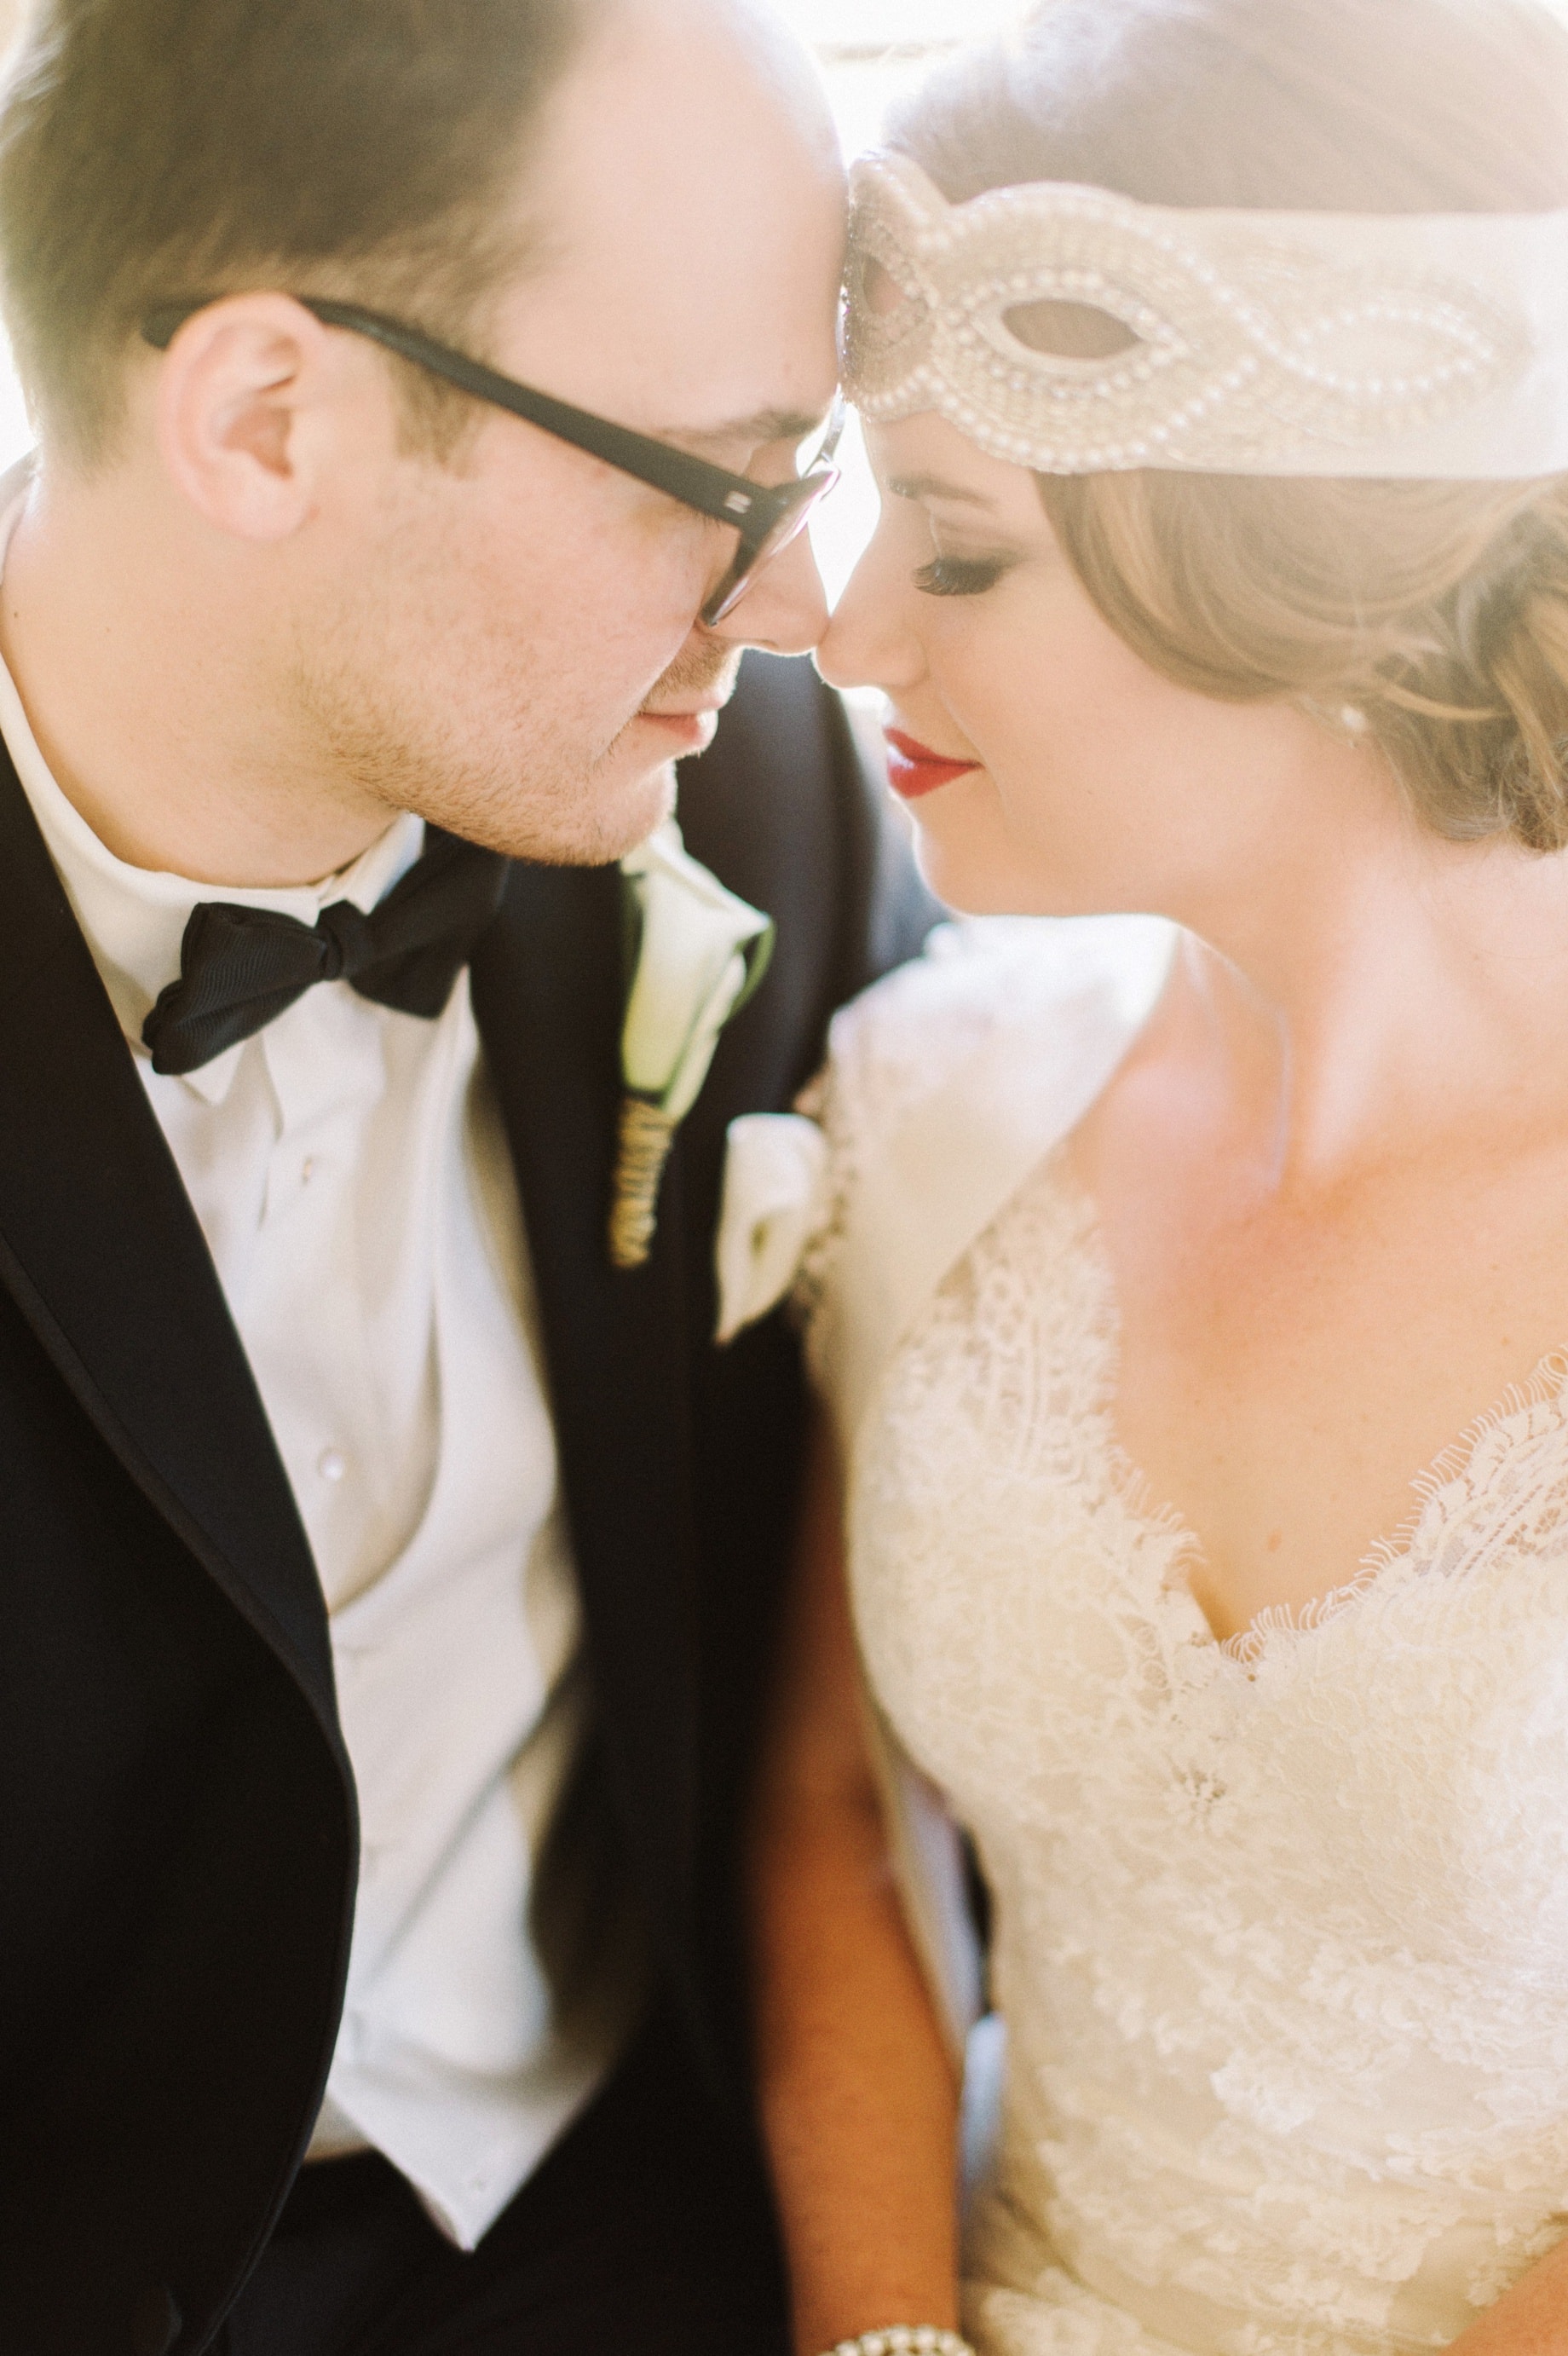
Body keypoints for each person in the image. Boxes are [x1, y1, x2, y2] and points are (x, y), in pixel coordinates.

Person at [0, 1, 937, 2351]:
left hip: (647, 2220)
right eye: (720, 478)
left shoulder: (764, 810)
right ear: (267, 417)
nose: (799, 597)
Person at [739, 1, 1568, 2351]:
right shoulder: (932, 1110)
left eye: (967, 552)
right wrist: (889, 2329)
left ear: (1310, 579)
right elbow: (826, 1805)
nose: (850, 622)